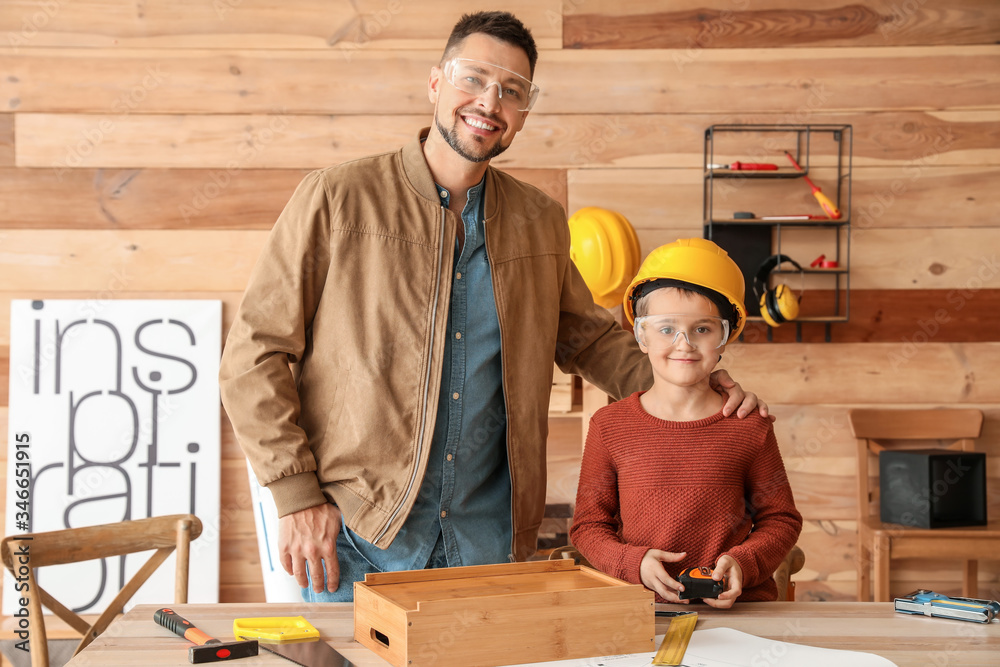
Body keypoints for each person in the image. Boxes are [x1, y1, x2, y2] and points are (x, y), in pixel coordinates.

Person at [219, 12, 767, 603]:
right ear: (435, 83)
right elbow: (255, 355)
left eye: (513, 90)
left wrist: (701, 381)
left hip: (489, 540)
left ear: (524, 112)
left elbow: (589, 341)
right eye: (473, 78)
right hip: (360, 534)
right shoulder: (337, 198)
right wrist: (295, 492)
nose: (490, 101)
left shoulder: (539, 220)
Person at [570, 238, 802, 607]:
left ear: (725, 338)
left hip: (742, 615)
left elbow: (781, 519)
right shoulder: (608, 426)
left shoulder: (748, 424)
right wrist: (634, 563)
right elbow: (588, 526)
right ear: (640, 335)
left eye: (702, 329)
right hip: (640, 614)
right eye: (666, 329)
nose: (684, 344)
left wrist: (743, 563)